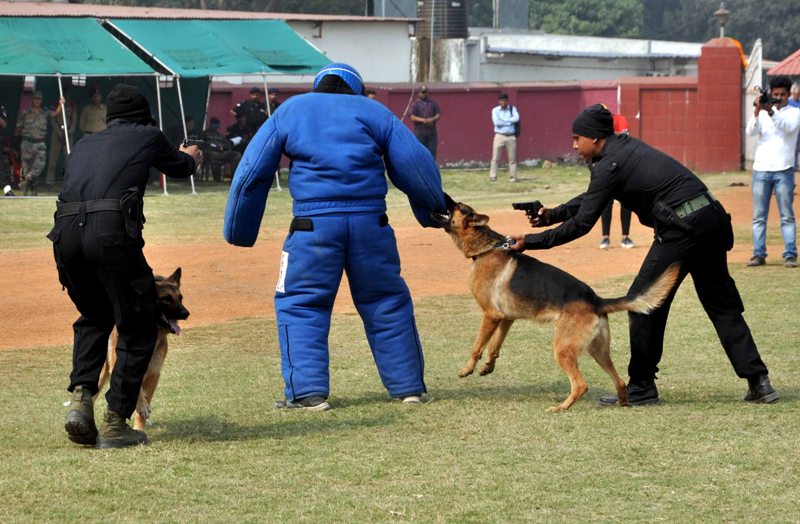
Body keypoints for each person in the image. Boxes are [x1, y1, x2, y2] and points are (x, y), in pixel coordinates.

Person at [508, 104, 778, 406]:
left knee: (641, 302)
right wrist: (550, 215)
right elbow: (592, 198)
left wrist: (531, 242)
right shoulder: (623, 151)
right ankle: (759, 382)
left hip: (682, 228)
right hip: (710, 219)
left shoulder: (610, 163)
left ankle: (641, 388)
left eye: (577, 138)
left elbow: (583, 223)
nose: (574, 146)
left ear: (595, 138)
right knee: (722, 306)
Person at [224, 62, 446, 411]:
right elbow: (416, 165)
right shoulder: (375, 112)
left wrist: (239, 230)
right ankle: (408, 389)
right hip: (372, 225)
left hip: (312, 228)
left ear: (319, 86)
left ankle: (308, 394)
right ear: (356, 89)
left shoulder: (292, 109)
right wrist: (433, 211)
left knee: (300, 303)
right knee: (387, 301)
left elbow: (252, 172)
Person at [50, 83, 202, 448]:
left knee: (93, 317)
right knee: (137, 326)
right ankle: (117, 423)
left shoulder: (85, 143)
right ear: (142, 113)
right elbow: (181, 168)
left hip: (65, 236)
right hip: (111, 235)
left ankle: (81, 403)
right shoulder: (147, 134)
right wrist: (191, 155)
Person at [745, 75, 800, 268]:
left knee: (786, 215)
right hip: (761, 169)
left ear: (788, 95)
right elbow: (750, 131)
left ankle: (790, 254)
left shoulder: (794, 112)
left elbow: (788, 127)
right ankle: (758, 254)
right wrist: (758, 108)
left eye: (782, 95)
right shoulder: (763, 112)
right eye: (775, 94)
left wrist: (771, 111)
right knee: (759, 216)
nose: (779, 98)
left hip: (783, 169)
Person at [15, 91, 62, 196]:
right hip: (27, 143)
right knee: (26, 167)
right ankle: (29, 191)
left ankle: (25, 182)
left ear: (41, 100)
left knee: (39, 166)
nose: (37, 101)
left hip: (39, 143)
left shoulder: (44, 112)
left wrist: (61, 103)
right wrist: (16, 142)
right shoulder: (25, 112)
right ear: (32, 100)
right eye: (35, 98)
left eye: (39, 99)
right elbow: (18, 127)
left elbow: (56, 113)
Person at [599, 113, 635, 249]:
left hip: (622, 164)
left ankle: (625, 237)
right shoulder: (595, 126)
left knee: (626, 202)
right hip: (606, 165)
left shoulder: (619, 119)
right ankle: (605, 237)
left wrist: (609, 133)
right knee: (606, 202)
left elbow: (625, 136)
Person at [45, 93, 77, 188]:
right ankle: (49, 181)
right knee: (53, 159)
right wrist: (59, 133)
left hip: (68, 134)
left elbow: (74, 120)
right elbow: (53, 120)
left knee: (69, 158)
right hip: (57, 134)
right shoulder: (54, 105)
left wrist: (69, 131)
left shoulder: (71, 105)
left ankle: (70, 180)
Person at [489, 92, 519, 182]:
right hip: (499, 136)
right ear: (498, 101)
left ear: (507, 101)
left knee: (512, 159)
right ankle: (493, 176)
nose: (503, 103)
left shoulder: (512, 109)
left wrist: (504, 120)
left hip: (511, 137)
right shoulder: (495, 110)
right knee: (495, 158)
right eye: (501, 101)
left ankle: (513, 176)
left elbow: (516, 118)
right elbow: (497, 123)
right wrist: (510, 122)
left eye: (505, 101)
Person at [203, 116, 240, 182]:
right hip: (211, 153)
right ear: (211, 124)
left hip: (222, 153)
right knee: (213, 157)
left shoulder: (220, 135)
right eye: (214, 123)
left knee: (236, 155)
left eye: (217, 123)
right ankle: (217, 179)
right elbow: (202, 144)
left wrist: (224, 147)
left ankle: (234, 177)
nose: (216, 125)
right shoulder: (204, 134)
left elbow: (227, 144)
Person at [409, 85, 441, 160]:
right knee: (420, 152)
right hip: (420, 133)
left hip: (431, 132)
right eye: (423, 92)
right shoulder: (415, 104)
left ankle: (431, 169)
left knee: (432, 152)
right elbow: (412, 117)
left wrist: (432, 119)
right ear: (419, 93)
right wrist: (424, 120)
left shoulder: (432, 103)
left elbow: (438, 114)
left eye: (426, 92)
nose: (424, 94)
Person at [789, 82, 800, 170]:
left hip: (799, 130)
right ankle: (793, 166)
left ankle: (796, 165)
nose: (797, 96)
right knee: (793, 149)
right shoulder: (788, 102)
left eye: (798, 94)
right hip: (792, 130)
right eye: (795, 94)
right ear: (792, 93)